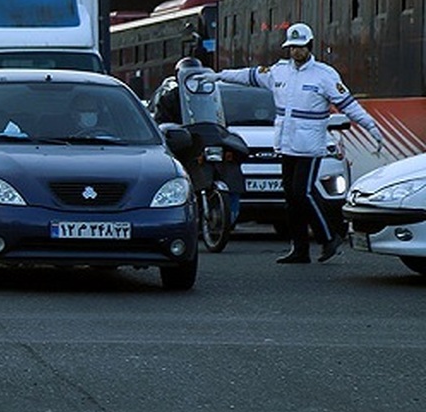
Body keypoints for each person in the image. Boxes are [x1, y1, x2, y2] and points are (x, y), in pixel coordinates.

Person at [200, 22, 384, 264]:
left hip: (310, 146)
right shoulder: (279, 71)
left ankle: (329, 238)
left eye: (301, 47)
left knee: (302, 193)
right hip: (286, 144)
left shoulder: (325, 75)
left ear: (310, 46)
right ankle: (299, 249)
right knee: (291, 197)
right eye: (292, 47)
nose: (296, 51)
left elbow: (349, 106)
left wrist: (372, 128)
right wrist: (218, 75)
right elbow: (248, 75)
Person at [152, 56, 202, 125]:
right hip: (181, 131)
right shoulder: (169, 99)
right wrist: (174, 128)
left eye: (195, 75)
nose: (192, 80)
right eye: (187, 76)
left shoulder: (207, 96)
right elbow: (161, 123)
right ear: (178, 77)